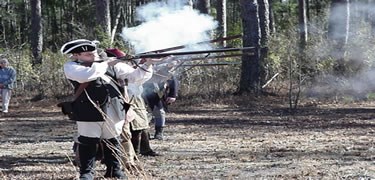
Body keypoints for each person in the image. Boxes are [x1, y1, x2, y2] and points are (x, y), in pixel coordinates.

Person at [61, 39, 158, 180]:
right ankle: (86, 172)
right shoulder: (71, 66)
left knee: (113, 139)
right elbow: (86, 76)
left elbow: (136, 77)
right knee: (88, 141)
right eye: (87, 54)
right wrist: (106, 63)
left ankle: (114, 170)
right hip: (88, 108)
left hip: (114, 108)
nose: (93, 56)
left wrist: (148, 63)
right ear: (76, 56)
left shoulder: (110, 64)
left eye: (93, 52)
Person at [106, 48, 159, 157]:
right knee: (123, 129)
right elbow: (135, 77)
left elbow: (137, 77)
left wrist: (146, 64)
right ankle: (125, 155)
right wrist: (146, 64)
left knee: (139, 125)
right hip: (121, 99)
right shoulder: (116, 65)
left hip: (130, 97)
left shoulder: (122, 66)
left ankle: (137, 151)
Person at [143, 63, 179, 140]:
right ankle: (144, 133)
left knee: (159, 111)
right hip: (139, 90)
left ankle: (159, 132)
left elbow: (172, 79)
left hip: (156, 90)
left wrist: (172, 95)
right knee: (142, 112)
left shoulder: (164, 65)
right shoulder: (139, 63)